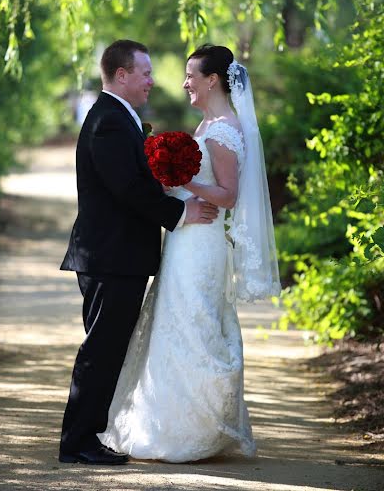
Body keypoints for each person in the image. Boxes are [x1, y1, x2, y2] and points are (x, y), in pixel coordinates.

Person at [99, 44, 281, 462]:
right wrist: (171, 184)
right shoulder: (208, 124)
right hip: (186, 238)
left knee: (194, 323)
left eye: (190, 76)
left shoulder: (222, 129)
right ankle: (170, 422)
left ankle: (195, 431)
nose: (184, 84)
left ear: (212, 80)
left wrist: (185, 181)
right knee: (175, 322)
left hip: (202, 242)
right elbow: (199, 186)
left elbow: (230, 196)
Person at [58, 40, 219, 465]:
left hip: (116, 256)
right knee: (101, 350)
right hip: (110, 257)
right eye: (145, 72)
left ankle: (87, 436)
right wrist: (181, 211)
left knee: (109, 348)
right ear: (122, 74)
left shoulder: (118, 118)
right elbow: (126, 189)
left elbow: (134, 181)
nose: (151, 80)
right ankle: (77, 443)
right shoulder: (109, 122)